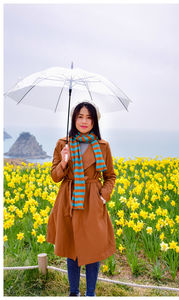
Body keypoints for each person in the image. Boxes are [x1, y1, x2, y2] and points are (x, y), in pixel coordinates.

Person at [46, 101, 116, 296]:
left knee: (93, 250)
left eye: (89, 117)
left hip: (92, 202)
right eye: (80, 116)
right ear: (73, 118)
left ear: (95, 121)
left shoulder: (103, 146)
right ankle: (74, 293)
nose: (84, 121)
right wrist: (64, 161)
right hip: (68, 201)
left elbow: (110, 176)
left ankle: (90, 294)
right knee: (72, 249)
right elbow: (54, 177)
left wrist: (103, 196)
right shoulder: (63, 143)